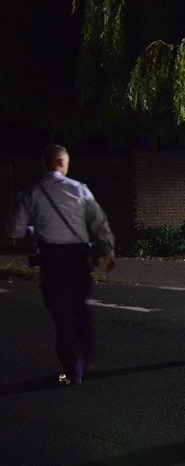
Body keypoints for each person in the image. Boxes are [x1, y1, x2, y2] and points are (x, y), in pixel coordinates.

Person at [5, 145, 117, 386]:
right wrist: (108, 251)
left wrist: (34, 230)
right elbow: (98, 222)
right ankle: (87, 355)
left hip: (51, 259)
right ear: (60, 163)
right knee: (80, 306)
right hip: (79, 258)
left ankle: (72, 367)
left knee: (62, 313)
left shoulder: (32, 193)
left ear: (44, 164)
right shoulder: (79, 190)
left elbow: (13, 228)